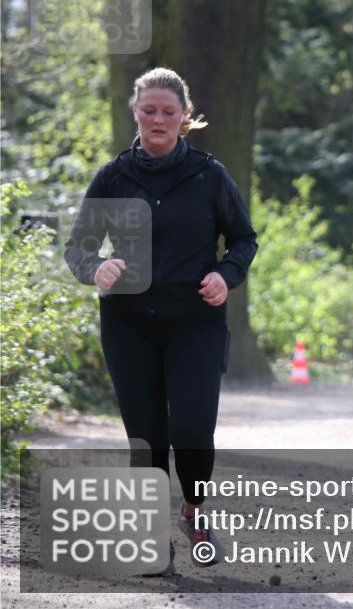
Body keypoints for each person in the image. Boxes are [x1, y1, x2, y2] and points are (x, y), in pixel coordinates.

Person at [64, 67, 257, 572]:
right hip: (129, 322)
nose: (158, 119)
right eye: (149, 110)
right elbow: (79, 247)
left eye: (168, 112)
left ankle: (193, 510)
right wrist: (95, 268)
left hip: (195, 319)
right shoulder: (112, 176)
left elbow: (243, 239)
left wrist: (226, 275)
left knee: (193, 429)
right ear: (136, 113)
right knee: (145, 435)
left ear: (184, 117)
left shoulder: (209, 176)